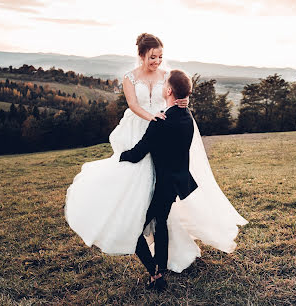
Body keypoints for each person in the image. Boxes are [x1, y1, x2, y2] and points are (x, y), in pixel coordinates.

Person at [64, 33, 248, 285]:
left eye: (161, 56)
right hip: (144, 127)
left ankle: (154, 263)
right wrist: (151, 117)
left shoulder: (167, 79)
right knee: (139, 192)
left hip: (162, 130)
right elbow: (132, 105)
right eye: (153, 57)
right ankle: (155, 259)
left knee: (157, 205)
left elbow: (178, 95)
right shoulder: (130, 78)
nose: (157, 61)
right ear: (141, 55)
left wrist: (167, 114)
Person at [119, 69, 198, 290]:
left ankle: (155, 274)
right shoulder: (187, 117)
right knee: (160, 222)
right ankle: (159, 272)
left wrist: (118, 157)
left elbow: (136, 154)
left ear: (169, 91)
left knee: (134, 230)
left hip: (161, 185)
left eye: (165, 85)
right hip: (174, 184)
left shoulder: (160, 122)